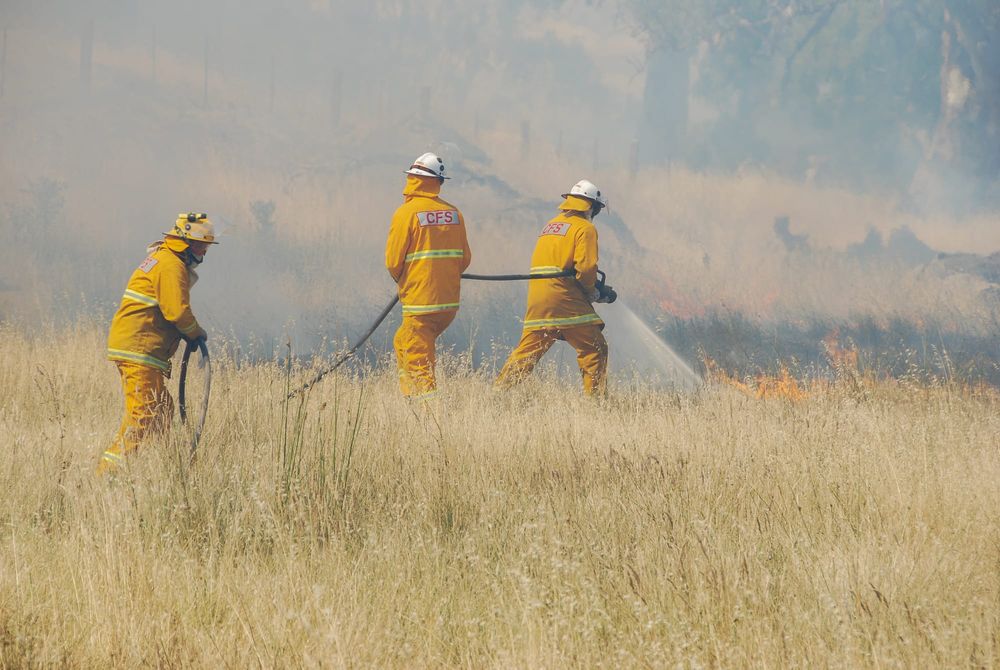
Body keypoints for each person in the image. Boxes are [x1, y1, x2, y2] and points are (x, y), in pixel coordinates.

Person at [98, 213, 217, 473]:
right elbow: (177, 312)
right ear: (185, 243)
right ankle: (107, 475)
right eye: (201, 246)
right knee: (143, 416)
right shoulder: (170, 265)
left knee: (162, 409)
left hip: (138, 346)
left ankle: (156, 468)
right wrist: (195, 332)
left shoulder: (164, 259)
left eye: (206, 247)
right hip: (139, 348)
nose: (203, 253)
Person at [495, 179, 614, 396]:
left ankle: (497, 393)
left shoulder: (551, 225)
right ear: (592, 207)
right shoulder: (585, 228)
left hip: (538, 297)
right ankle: (596, 402)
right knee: (594, 347)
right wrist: (592, 292)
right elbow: (586, 268)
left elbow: (560, 263)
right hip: (564, 299)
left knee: (527, 353)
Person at [385, 152, 472, 398]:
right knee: (403, 341)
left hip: (420, 302)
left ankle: (427, 409)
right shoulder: (454, 213)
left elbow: (393, 262)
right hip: (448, 304)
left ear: (412, 178)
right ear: (439, 182)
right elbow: (465, 259)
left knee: (418, 359)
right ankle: (410, 396)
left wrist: (406, 282)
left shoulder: (406, 213)